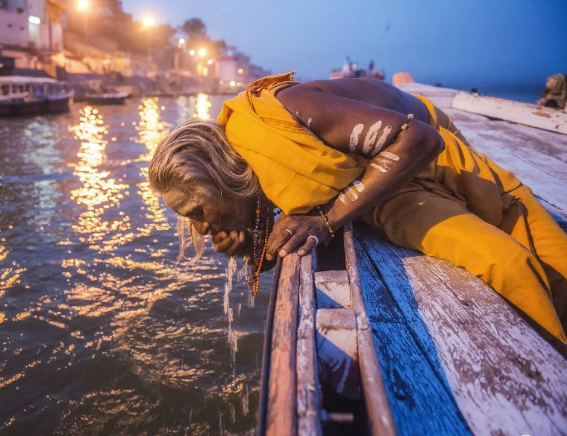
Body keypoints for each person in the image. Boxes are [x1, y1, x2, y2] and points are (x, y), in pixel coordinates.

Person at [148, 72, 567, 346]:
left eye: (196, 210)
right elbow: (292, 216)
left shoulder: (284, 112)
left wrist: (326, 220)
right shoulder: (257, 169)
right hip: (382, 182)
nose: (200, 229)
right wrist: (253, 247)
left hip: (429, 150)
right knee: (507, 261)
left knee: (544, 260)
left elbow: (419, 141)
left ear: (221, 176)